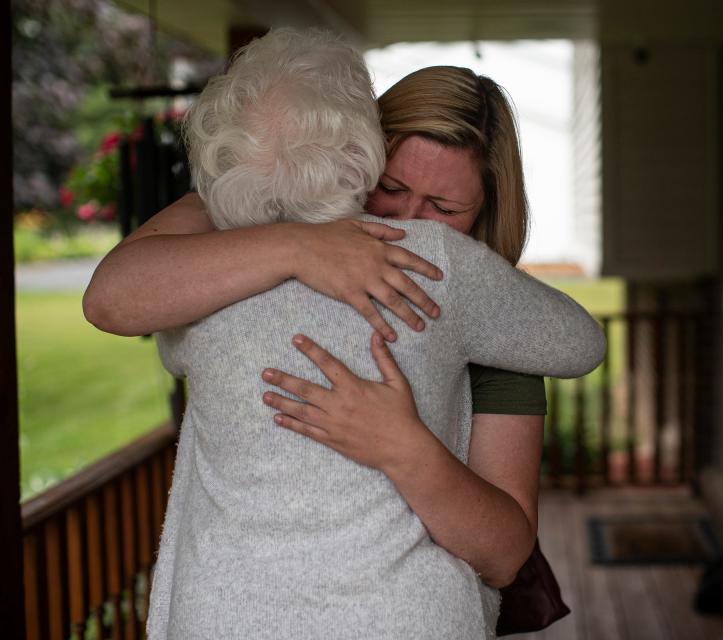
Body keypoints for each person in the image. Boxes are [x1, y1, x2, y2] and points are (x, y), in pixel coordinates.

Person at [87, 29, 602, 639]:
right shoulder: (240, 239)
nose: (408, 223)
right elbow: (112, 296)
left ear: (488, 211)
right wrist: (298, 243)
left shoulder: (491, 315)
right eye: (391, 188)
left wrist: (404, 448)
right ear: (357, 156)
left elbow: (506, 554)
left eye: (443, 207)